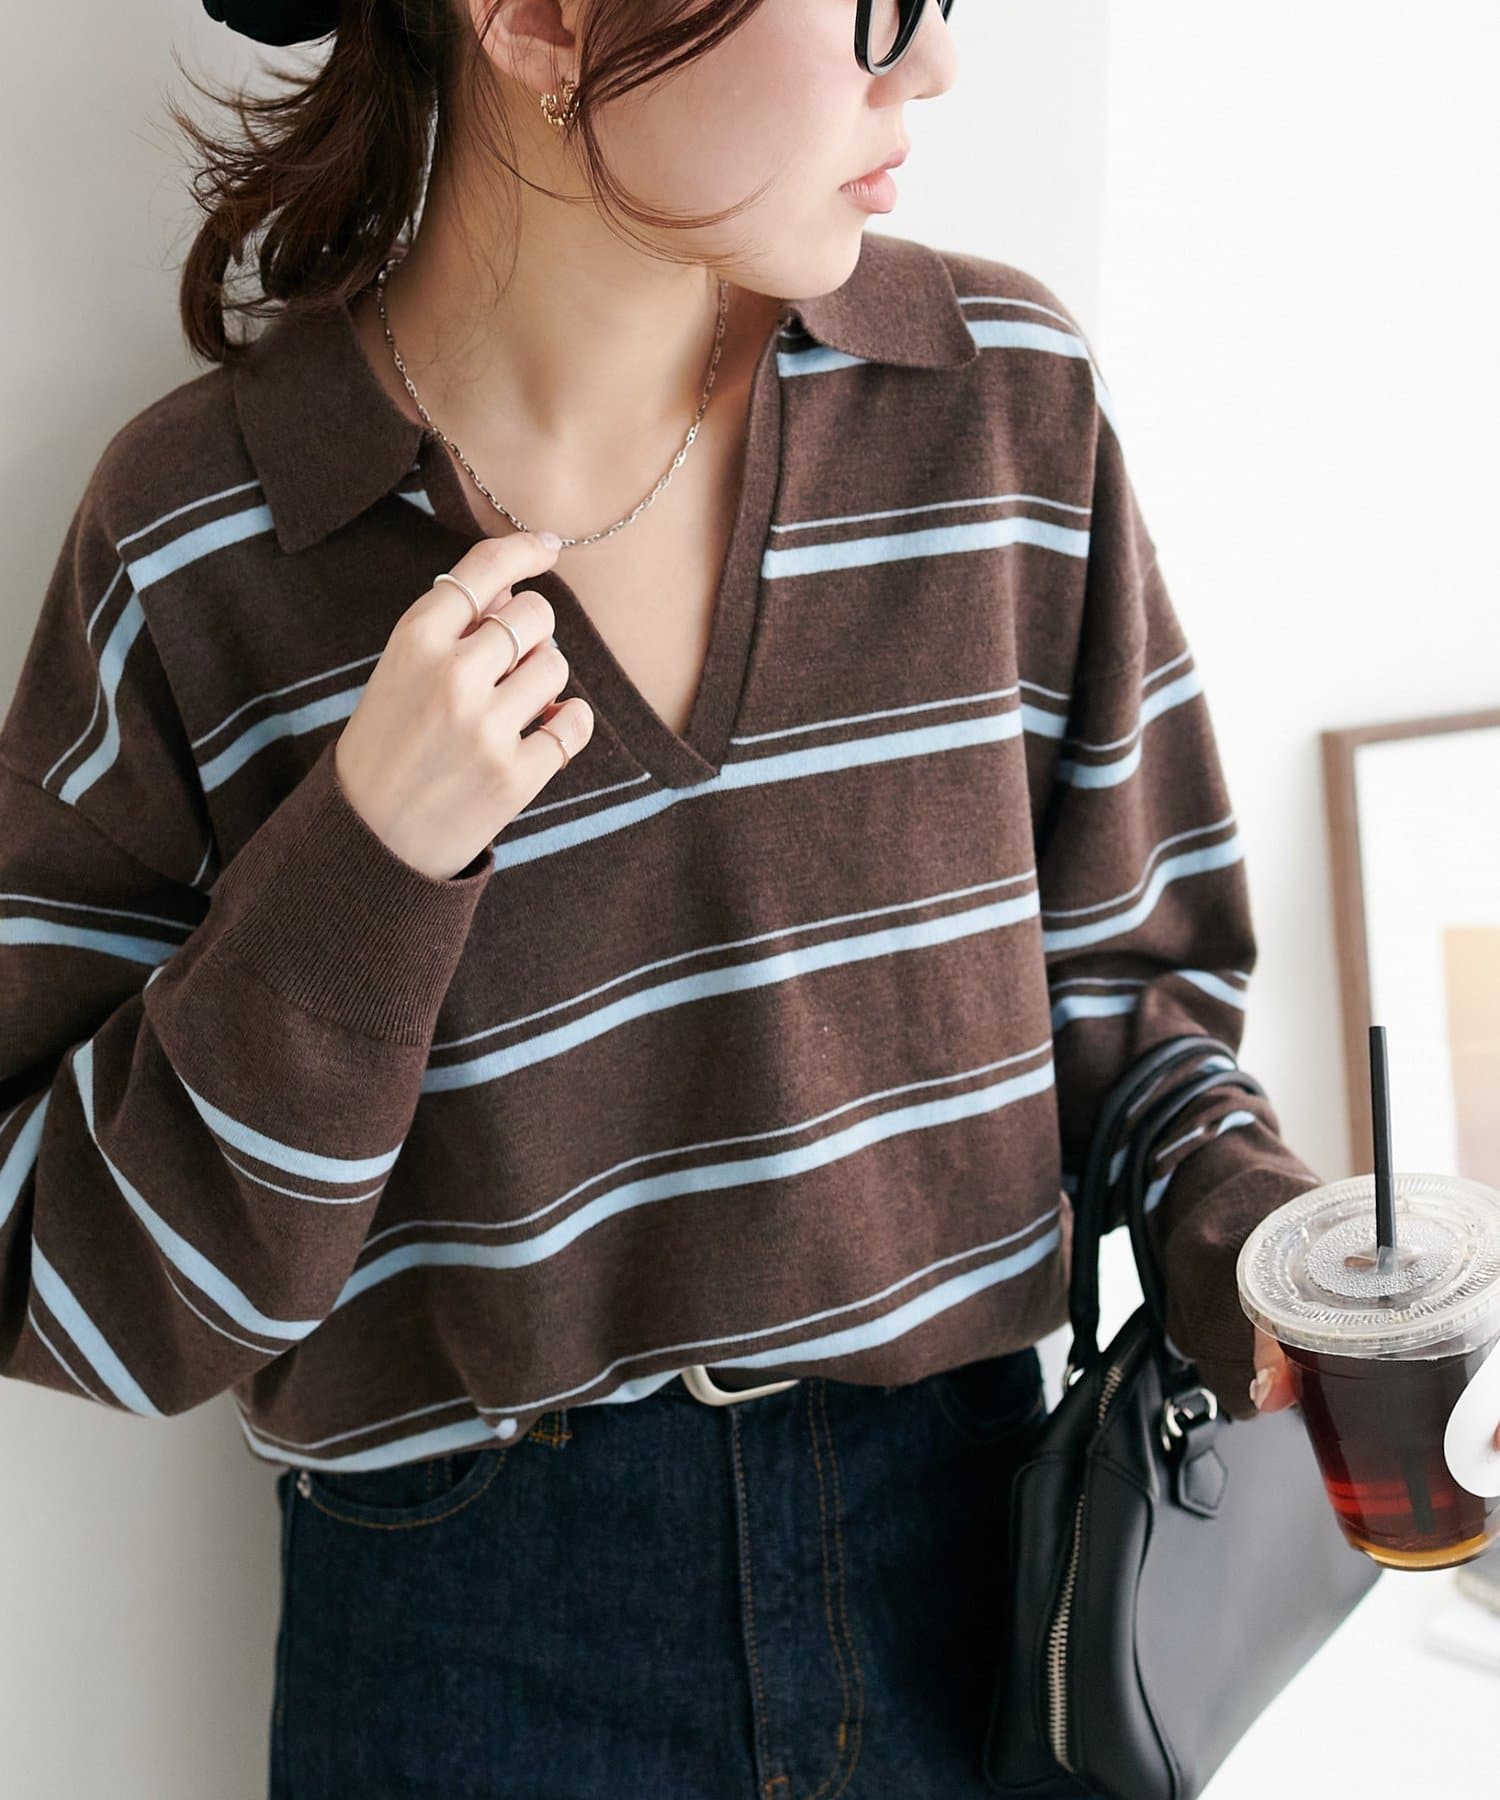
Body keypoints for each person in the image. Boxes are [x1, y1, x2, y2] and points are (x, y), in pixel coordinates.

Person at [0, 1, 1368, 1794]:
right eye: (871, 6)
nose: (932, 66)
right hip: (463, 1649)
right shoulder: (203, 533)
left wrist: (1270, 1262)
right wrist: (364, 870)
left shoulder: (995, 401)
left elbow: (1136, 1017)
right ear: (542, 19)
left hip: (980, 1587)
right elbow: (60, 1274)